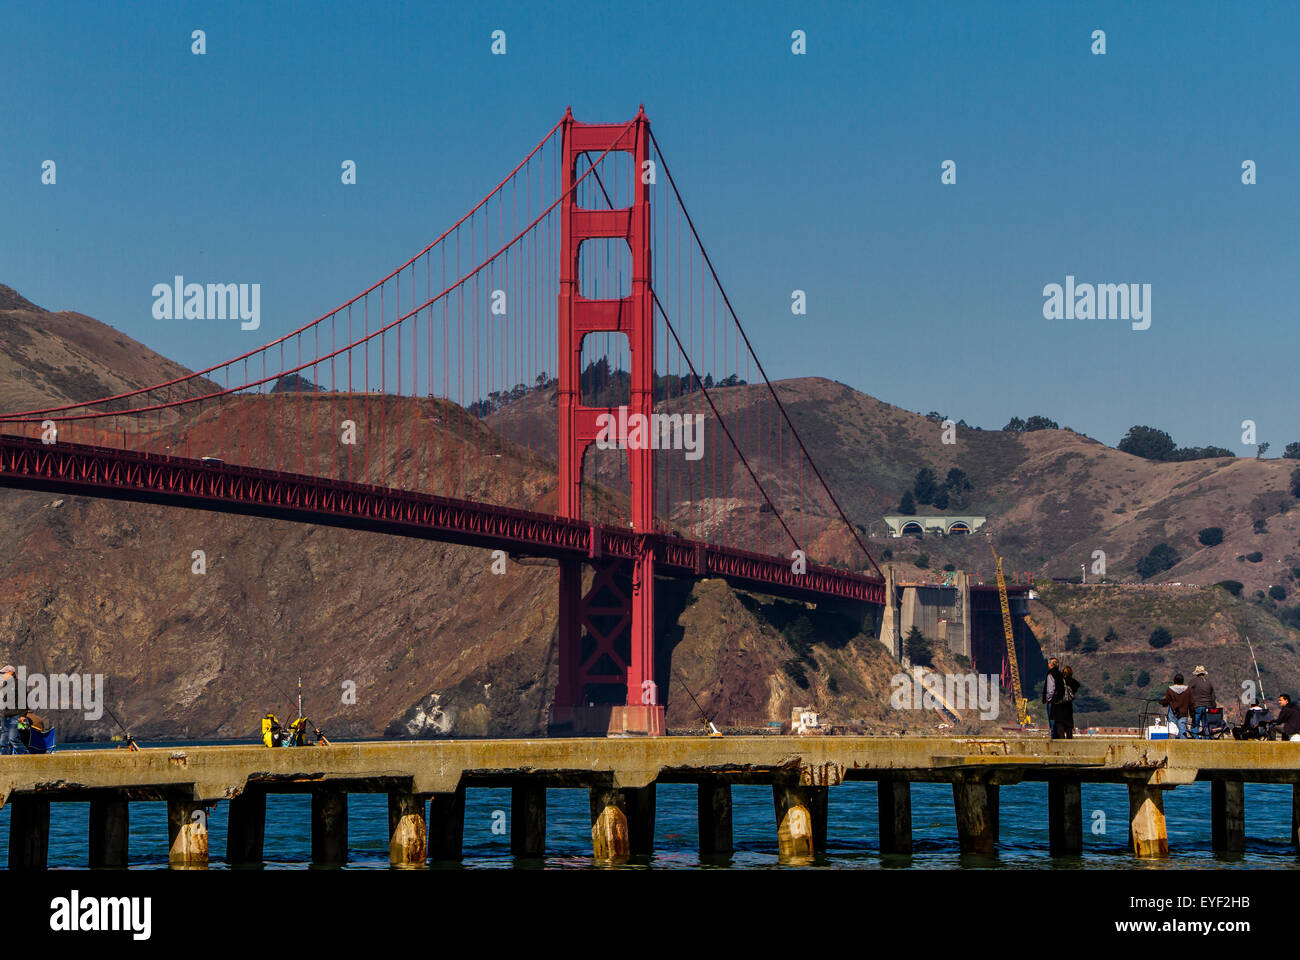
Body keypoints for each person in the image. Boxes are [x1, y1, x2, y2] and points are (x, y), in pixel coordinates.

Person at [0, 665, 28, 755]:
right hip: (6, 716)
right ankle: (5, 761)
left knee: (13, 739)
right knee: (3, 742)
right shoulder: (5, 685)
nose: (2, 675)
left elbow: (23, 700)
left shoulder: (20, 684)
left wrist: (23, 715)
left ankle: (26, 757)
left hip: (15, 716)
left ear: (11, 672)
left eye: (4, 673)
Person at [1158, 673, 1194, 738]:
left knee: (1173, 729)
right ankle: (1183, 744)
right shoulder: (1187, 690)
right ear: (1182, 681)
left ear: (1174, 680)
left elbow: (1167, 701)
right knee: (1182, 728)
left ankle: (1173, 744)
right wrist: (1192, 713)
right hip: (1183, 712)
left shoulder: (1170, 689)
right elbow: (1191, 702)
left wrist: (1161, 702)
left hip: (1173, 712)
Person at [1187, 665, 1216, 739]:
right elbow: (1213, 696)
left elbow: (1188, 693)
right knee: (1205, 724)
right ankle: (1206, 739)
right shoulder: (1209, 682)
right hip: (1208, 706)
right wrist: (1213, 706)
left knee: (1195, 724)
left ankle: (1196, 739)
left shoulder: (1193, 682)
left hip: (1197, 706)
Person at [1054, 665, 1081, 739]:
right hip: (1068, 706)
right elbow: (1077, 685)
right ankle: (1069, 742)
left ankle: (1062, 742)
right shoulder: (1074, 682)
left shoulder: (1059, 681)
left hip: (1059, 706)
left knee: (1060, 725)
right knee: (1069, 726)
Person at [1041, 658, 1063, 738]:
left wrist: (1048, 699)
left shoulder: (1050, 674)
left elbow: (1050, 690)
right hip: (1060, 701)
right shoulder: (1061, 674)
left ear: (1050, 665)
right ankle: (1059, 736)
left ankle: (1053, 737)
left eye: (1048, 663)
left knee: (1052, 720)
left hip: (1052, 701)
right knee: (1059, 721)